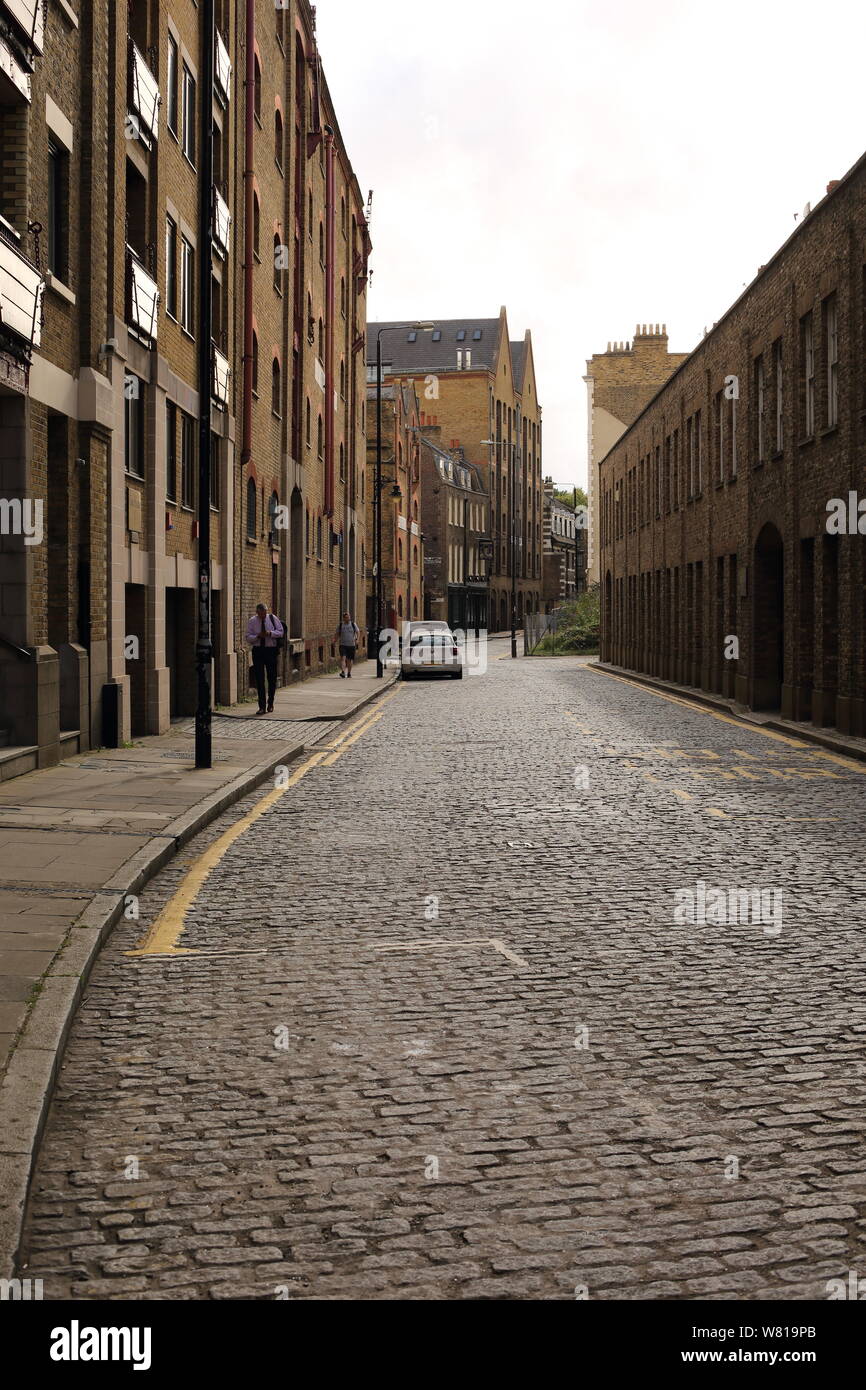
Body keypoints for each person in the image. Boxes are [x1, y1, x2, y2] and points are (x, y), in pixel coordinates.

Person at [245, 604, 284, 713]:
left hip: (270, 651)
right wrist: (257, 636)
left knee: (272, 678)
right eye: (261, 614)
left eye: (265, 613)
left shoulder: (272, 618)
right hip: (258, 651)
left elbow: (281, 632)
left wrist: (270, 633)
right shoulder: (252, 621)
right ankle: (261, 706)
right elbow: (248, 637)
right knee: (259, 679)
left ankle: (270, 703)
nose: (263, 616)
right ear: (257, 612)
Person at [335, 612, 360, 678]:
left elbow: (358, 632)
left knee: (349, 660)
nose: (347, 618)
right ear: (343, 618)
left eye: (348, 617)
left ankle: (349, 673)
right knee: (343, 658)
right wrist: (335, 641)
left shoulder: (353, 624)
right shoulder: (340, 625)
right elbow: (337, 634)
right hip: (343, 644)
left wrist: (357, 639)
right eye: (346, 617)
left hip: (351, 645)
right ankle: (343, 672)